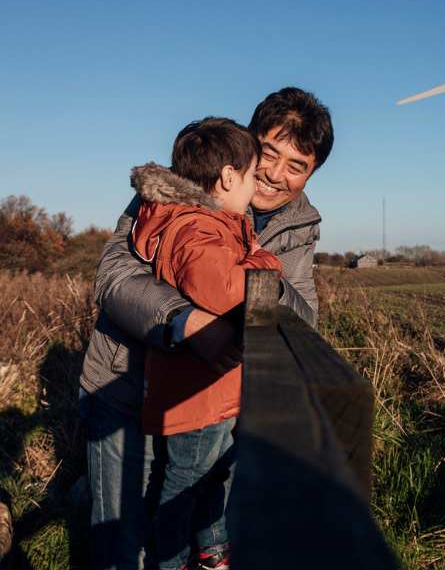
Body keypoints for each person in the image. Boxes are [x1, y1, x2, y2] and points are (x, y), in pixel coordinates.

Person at [80, 87, 334, 569]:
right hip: (125, 392)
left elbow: (303, 319)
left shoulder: (300, 226)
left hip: (213, 403)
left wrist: (267, 287)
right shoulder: (176, 187)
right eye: (270, 152)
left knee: (191, 512)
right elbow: (113, 279)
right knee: (123, 545)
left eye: (296, 166)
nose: (275, 174)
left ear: (312, 172)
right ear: (248, 142)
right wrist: (187, 322)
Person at [131, 117, 281, 570]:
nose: (259, 185)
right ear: (229, 177)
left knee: (214, 474)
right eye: (255, 174)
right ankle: (174, 561)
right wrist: (264, 258)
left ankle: (212, 550)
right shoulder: (199, 227)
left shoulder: (197, 222)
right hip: (195, 395)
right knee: (186, 482)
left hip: (209, 389)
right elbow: (227, 290)